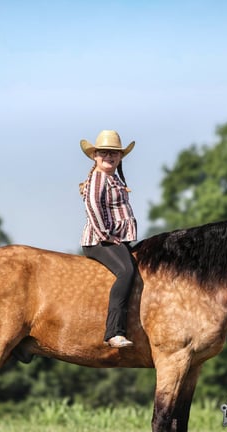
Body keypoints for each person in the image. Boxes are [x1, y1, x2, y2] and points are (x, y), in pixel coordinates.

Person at [79, 130, 138, 348]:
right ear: (95, 156)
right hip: (100, 240)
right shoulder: (98, 177)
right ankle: (114, 332)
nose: (109, 156)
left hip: (115, 238)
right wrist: (106, 235)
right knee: (126, 271)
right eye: (104, 152)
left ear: (120, 157)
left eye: (114, 153)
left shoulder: (113, 177)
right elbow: (93, 206)